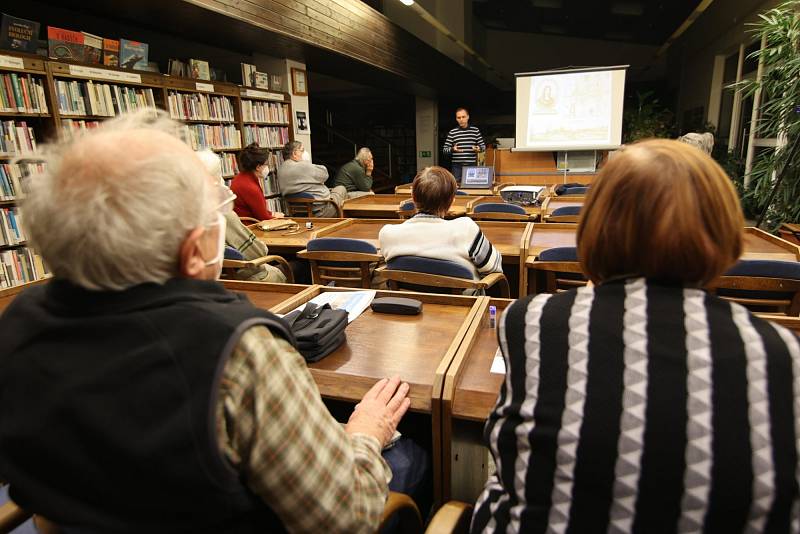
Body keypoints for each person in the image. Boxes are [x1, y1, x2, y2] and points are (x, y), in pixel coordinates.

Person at [0, 110, 411, 533]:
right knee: (408, 456)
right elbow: (346, 517)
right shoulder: (239, 353)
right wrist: (365, 433)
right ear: (194, 251)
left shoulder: (18, 324)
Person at [471, 139, 800, 533]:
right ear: (724, 228)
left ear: (596, 224)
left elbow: (506, 452)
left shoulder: (533, 320)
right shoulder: (780, 352)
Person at [379, 166, 502, 291]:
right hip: (462, 308)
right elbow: (493, 267)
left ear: (413, 197)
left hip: (407, 305)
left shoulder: (387, 234)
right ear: (451, 201)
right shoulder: (466, 229)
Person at [197, 149, 286, 283]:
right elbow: (259, 252)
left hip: (216, 279)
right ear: (214, 178)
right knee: (296, 267)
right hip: (245, 279)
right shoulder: (222, 214)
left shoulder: (187, 213)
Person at [277, 140, 347, 217]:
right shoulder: (302, 166)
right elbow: (324, 174)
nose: (305, 153)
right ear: (294, 153)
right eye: (302, 150)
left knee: (347, 195)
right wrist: (306, 162)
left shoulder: (281, 169)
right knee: (341, 189)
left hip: (299, 212)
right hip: (321, 210)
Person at [230, 143, 284, 221]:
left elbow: (256, 209)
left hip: (243, 224)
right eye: (266, 164)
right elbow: (264, 218)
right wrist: (277, 217)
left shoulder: (240, 178)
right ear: (258, 167)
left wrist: (272, 214)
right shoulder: (250, 187)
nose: (267, 167)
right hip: (252, 227)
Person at [442, 107, 485, 184]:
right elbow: (445, 150)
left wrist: (478, 148)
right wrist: (452, 149)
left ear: (468, 117)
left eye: (463, 117)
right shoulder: (453, 132)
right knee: (456, 187)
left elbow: (483, 147)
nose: (461, 119)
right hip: (457, 167)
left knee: (472, 186)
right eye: (459, 117)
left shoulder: (475, 130)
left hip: (471, 165)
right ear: (456, 119)